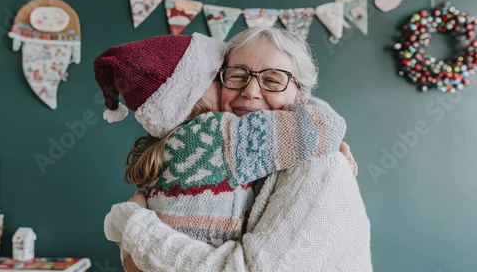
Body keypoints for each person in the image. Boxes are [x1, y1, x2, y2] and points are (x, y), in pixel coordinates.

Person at [104, 27, 371, 271]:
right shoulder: (219, 145)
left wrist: (131, 224)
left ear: (301, 96)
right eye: (237, 76)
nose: (251, 91)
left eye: (273, 80)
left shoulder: (319, 168)